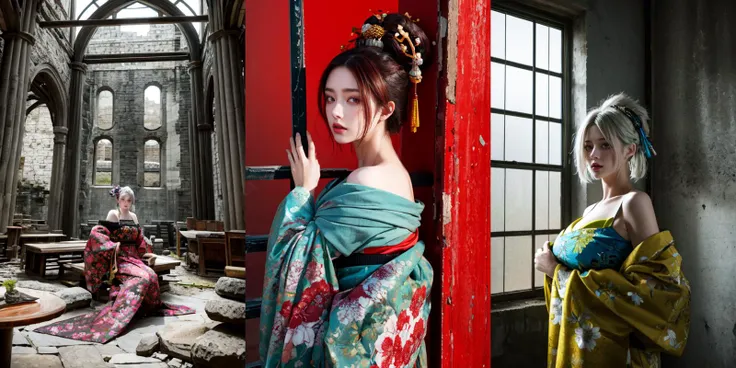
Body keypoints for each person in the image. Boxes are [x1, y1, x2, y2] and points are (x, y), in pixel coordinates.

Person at [259, 12, 433, 368]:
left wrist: (303, 192)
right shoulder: (395, 174)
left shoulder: (365, 182)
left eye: (354, 99)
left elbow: (297, 260)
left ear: (387, 109)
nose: (336, 111)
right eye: (330, 97)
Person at [534, 93, 691, 367]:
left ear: (630, 149)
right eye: (588, 146)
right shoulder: (589, 212)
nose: (593, 154)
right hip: (580, 349)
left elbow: (657, 287)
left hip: (617, 354)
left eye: (605, 145)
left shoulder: (634, 204)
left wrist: (556, 271)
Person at [34, 185, 194, 343]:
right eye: (123, 199)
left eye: (129, 200)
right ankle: (123, 312)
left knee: (151, 275)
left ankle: (143, 308)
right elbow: (98, 234)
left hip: (135, 258)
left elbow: (139, 240)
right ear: (118, 199)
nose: (126, 202)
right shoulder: (113, 214)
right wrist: (113, 246)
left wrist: (147, 251)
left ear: (132, 202)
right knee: (143, 277)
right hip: (120, 258)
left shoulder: (134, 217)